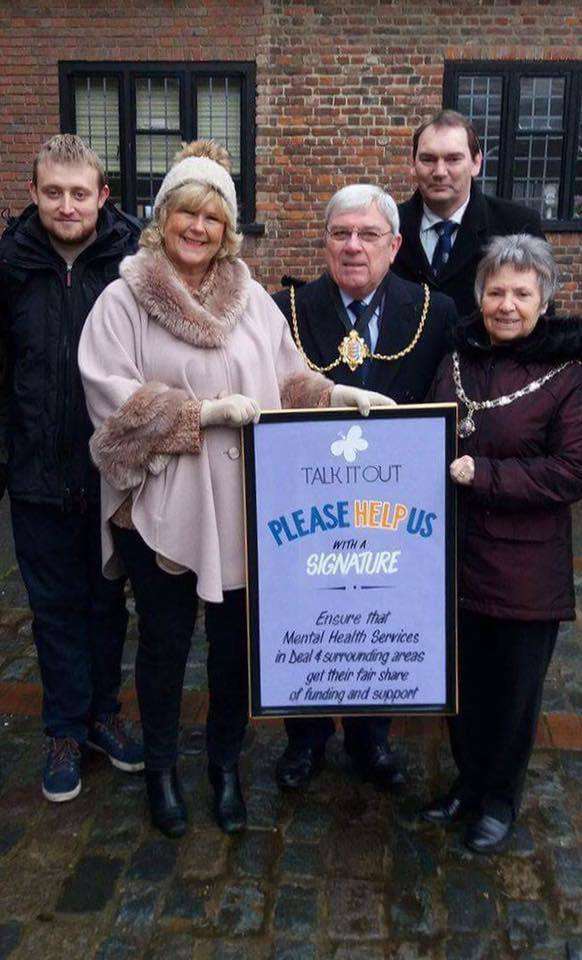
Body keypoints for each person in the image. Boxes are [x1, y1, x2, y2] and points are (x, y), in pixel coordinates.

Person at [78, 141, 394, 839]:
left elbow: (285, 377)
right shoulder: (124, 297)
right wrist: (197, 414)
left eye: (213, 217)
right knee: (161, 645)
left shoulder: (251, 298)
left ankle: (224, 766)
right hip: (160, 503)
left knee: (232, 646)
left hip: (247, 502)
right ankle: (161, 769)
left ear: (228, 228)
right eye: (186, 212)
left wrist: (334, 392)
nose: (198, 228)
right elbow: (108, 396)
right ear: (163, 218)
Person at [273, 183, 458, 793]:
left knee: (379, 610)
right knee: (310, 613)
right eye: (340, 233)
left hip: (393, 506)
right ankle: (304, 738)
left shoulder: (435, 311)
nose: (354, 246)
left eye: (368, 234)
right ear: (325, 241)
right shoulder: (287, 312)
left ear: (395, 243)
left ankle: (370, 738)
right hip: (310, 503)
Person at [423, 234, 582, 854]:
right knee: (462, 686)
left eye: (521, 292)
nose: (507, 304)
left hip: (524, 570)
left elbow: (572, 470)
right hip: (454, 558)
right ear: (479, 296)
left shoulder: (568, 373)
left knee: (515, 696)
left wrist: (483, 474)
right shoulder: (457, 357)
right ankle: (468, 782)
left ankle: (498, 800)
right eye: (496, 291)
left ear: (544, 299)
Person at [0, 134, 143, 803]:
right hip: (36, 473)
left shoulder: (132, 263)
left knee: (107, 599)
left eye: (79, 193)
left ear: (102, 196)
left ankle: (104, 713)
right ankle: (63, 725)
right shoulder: (9, 267)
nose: (66, 205)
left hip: (112, 470)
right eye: (52, 192)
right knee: (54, 606)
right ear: (32, 194)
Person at [392, 110, 546, 318]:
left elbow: (540, 315)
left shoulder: (517, 225)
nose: (439, 172)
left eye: (453, 159)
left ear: (476, 163)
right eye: (428, 159)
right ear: (413, 164)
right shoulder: (388, 226)